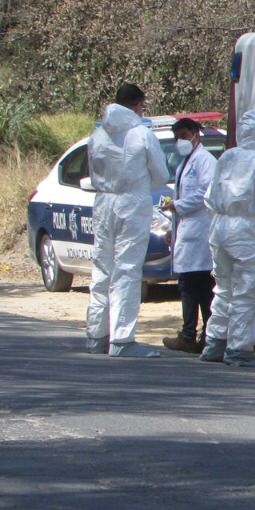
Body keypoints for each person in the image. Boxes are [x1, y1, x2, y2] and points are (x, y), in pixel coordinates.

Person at [85, 83, 170, 357]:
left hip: (103, 201)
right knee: (127, 269)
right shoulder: (141, 135)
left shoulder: (97, 134)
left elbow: (92, 168)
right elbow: (160, 174)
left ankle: (97, 334)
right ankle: (121, 339)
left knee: (102, 267)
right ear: (136, 105)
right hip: (132, 201)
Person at [199, 109, 255, 369]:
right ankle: (239, 348)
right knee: (245, 292)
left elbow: (210, 195)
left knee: (223, 288)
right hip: (248, 230)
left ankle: (215, 342)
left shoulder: (227, 157)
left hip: (220, 226)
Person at [161, 118, 216, 353]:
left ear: (196, 134)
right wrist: (172, 229)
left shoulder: (206, 161)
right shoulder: (185, 162)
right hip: (187, 230)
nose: (180, 142)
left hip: (200, 231)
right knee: (190, 285)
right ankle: (192, 334)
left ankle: (199, 335)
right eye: (177, 138)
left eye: (184, 136)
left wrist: (177, 205)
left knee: (200, 287)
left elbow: (205, 193)